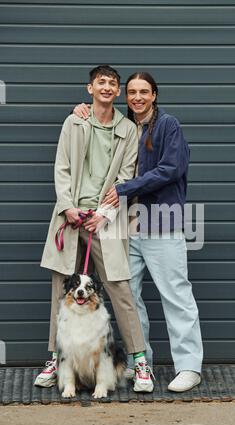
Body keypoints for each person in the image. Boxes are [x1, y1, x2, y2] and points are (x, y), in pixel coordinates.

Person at [73, 72, 203, 392]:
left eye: (144, 91)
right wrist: (82, 111)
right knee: (129, 298)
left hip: (162, 223)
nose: (137, 97)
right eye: (131, 92)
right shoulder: (125, 128)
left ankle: (189, 367)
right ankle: (137, 360)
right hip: (126, 227)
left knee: (176, 296)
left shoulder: (168, 125)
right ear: (124, 96)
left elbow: (171, 169)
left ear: (155, 95)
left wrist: (125, 188)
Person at [34, 65, 154, 393]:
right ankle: (55, 359)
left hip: (106, 219)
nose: (106, 88)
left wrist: (102, 214)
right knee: (61, 288)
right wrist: (68, 207)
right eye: (100, 82)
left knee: (119, 287)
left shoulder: (128, 129)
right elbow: (62, 167)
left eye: (112, 84)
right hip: (70, 217)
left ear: (117, 93)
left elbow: (126, 176)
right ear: (90, 89)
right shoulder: (74, 122)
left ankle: (140, 362)